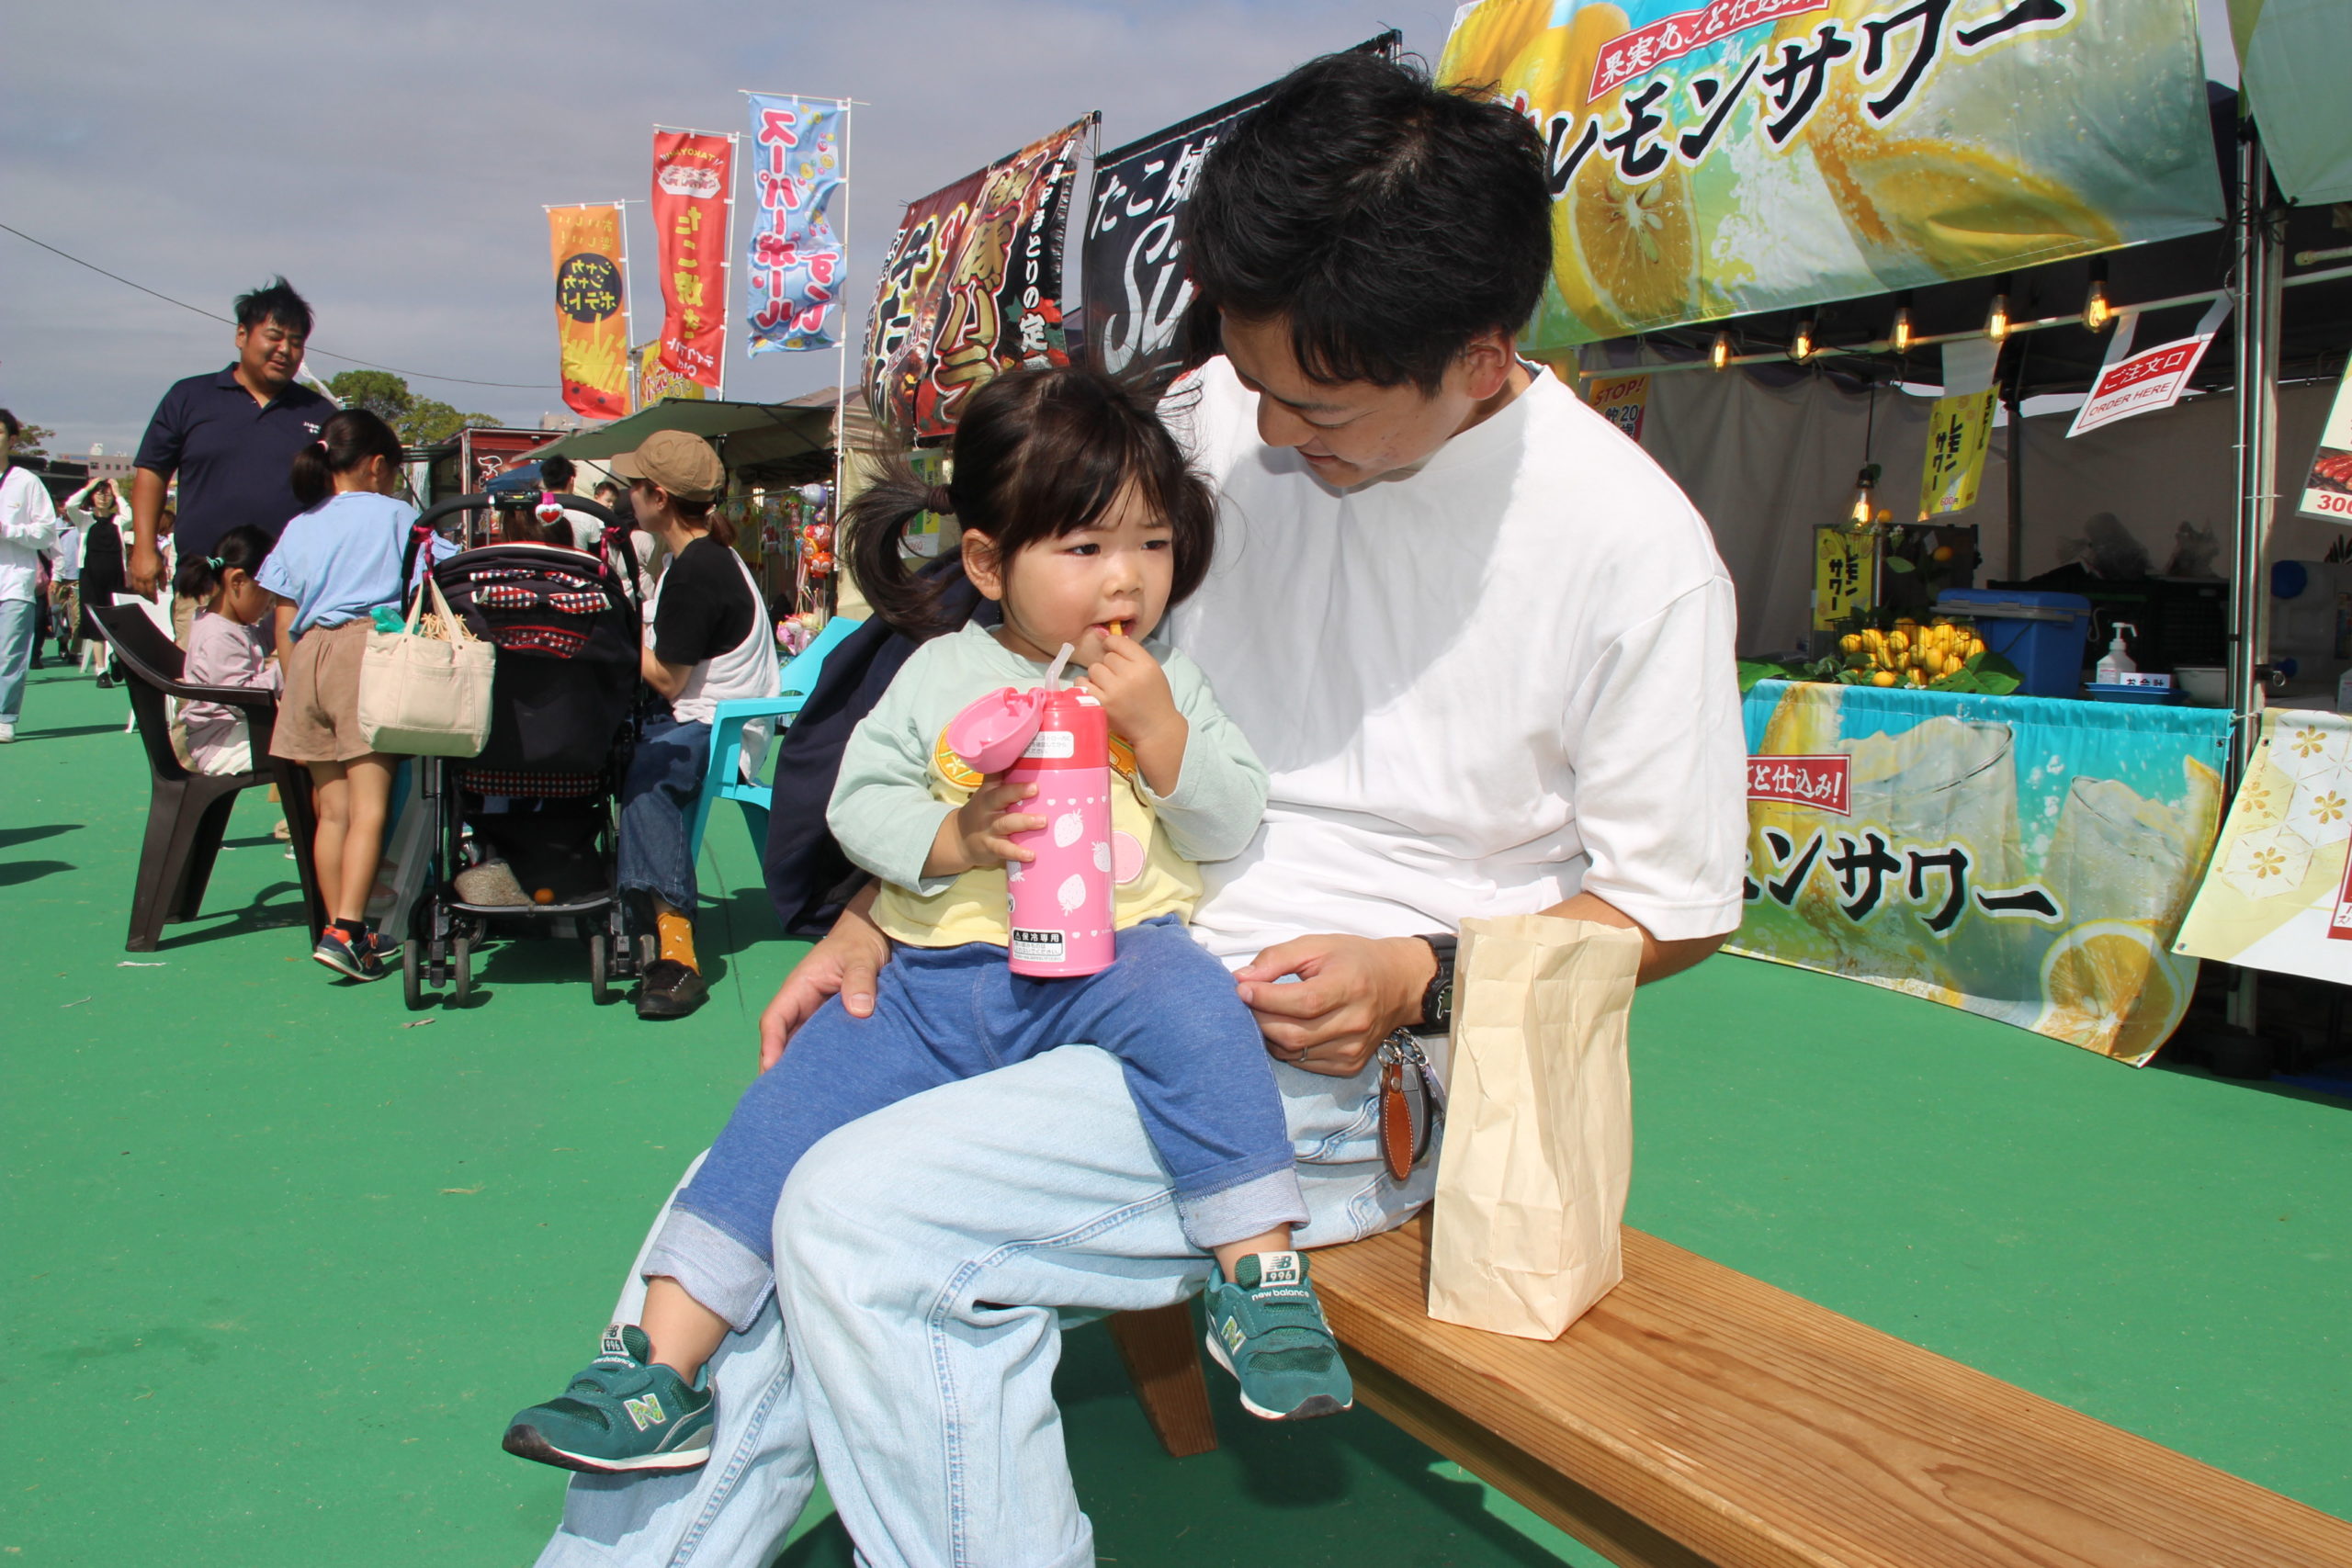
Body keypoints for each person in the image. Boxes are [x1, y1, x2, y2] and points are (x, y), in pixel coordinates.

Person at [535, 51, 1746, 1566]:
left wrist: (1419, 975)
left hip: (1321, 1058)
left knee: (867, 1218)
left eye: (1317, 406)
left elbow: (1670, 903)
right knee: (733, 1201)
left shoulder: (1632, 553)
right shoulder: (1217, 413)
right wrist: (886, 906)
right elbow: (1018, 681)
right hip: (1041, 951)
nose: (1270, 433)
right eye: (1251, 382)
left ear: (1484, 360)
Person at [505, 367, 1352, 1477]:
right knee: (776, 1118)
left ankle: (1263, 1286)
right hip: (930, 982)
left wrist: (1159, 733)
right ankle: (658, 1369)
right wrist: (953, 838)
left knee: (1202, 1012)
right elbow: (859, 804)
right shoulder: (939, 672)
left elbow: (1230, 818)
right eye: (1085, 547)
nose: (1126, 578)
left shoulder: (1165, 678)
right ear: (990, 564)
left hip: (1115, 964)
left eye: (1152, 544)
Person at [612, 430, 780, 1021]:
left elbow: (667, 679)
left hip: (719, 729)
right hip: (722, 720)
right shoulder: (704, 555)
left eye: (635, 485)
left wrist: (608, 630)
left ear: (658, 497)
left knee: (648, 778)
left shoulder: (696, 570)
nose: (628, 495)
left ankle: (677, 952)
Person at [259, 409, 416, 981]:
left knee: (332, 810)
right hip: (363, 651)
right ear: (377, 466)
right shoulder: (397, 516)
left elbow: (283, 617)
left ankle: (336, 927)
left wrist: (293, 680)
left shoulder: (300, 524)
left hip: (307, 659)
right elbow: (439, 576)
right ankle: (350, 929)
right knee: (371, 805)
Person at [129, 277, 334, 614]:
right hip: (204, 585)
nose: (285, 350)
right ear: (241, 335)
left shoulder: (320, 413)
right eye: (274, 336)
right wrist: (143, 548)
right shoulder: (189, 397)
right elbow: (152, 473)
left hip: (291, 594)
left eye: (296, 342)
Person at [176, 525, 281, 774]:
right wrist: (289, 666)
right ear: (238, 581)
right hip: (220, 744)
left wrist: (289, 614)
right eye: (267, 592)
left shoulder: (233, 624)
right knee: (315, 747)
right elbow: (241, 700)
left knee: (314, 742)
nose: (270, 603)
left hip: (234, 733)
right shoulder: (218, 634)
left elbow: (264, 636)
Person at [0, 410, 60, 742]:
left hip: (14, 582)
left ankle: (4, 716)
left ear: (11, 439)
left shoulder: (26, 482)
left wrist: (7, 530)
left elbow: (46, 533)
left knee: (10, 653)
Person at [63, 479, 126, 684]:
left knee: (117, 622)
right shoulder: (84, 519)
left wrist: (118, 493)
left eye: (107, 494)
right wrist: (89, 487)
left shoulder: (119, 521)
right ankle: (101, 670)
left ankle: (116, 658)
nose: (103, 497)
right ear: (92, 497)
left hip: (116, 578)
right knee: (95, 623)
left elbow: (131, 516)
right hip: (91, 578)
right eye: (99, 493)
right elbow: (70, 505)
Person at [47, 509, 80, 663]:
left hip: (78, 577)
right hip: (57, 578)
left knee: (78, 618)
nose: (64, 506)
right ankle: (62, 642)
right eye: (60, 503)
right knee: (56, 614)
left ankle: (74, 651)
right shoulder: (53, 524)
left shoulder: (82, 521)